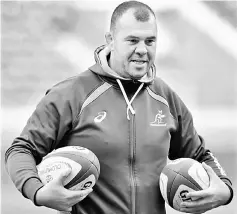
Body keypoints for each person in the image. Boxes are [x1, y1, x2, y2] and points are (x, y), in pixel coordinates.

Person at [5, 1, 233, 214]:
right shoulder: (72, 94)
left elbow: (201, 155)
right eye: (132, 40)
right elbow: (21, 150)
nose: (143, 50)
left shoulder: (164, 96)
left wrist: (224, 189)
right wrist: (38, 192)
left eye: (150, 41)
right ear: (110, 40)